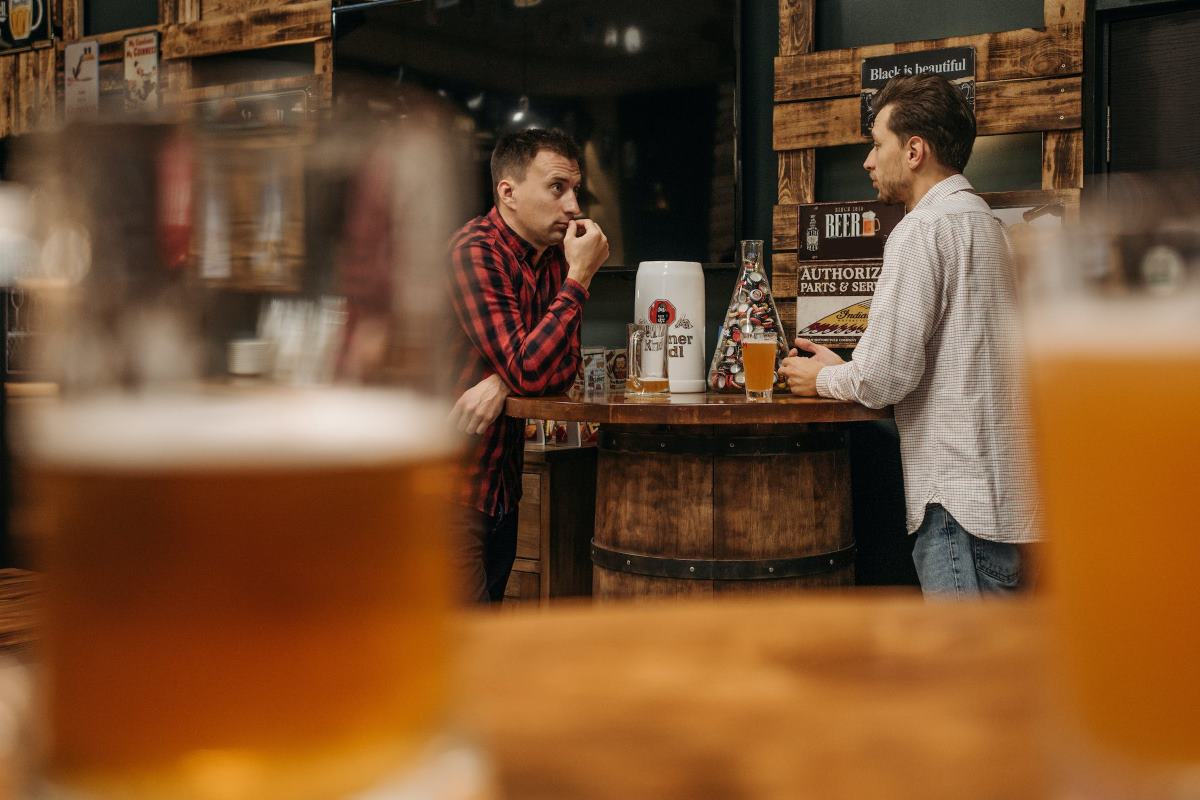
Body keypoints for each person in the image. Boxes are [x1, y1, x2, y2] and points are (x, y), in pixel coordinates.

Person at [778, 74, 1038, 597]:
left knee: (962, 674)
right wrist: (838, 367)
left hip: (956, 506)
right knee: (999, 674)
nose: (868, 162)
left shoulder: (922, 229)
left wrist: (824, 379)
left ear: (914, 150)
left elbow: (884, 377)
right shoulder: (989, 227)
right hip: (1009, 507)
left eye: (877, 144)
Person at [447, 128, 609, 603]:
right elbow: (533, 370)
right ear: (508, 192)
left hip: (499, 489)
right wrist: (580, 277)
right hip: (446, 491)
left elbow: (563, 370)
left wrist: (501, 382)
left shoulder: (551, 260)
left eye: (575, 190)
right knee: (462, 652)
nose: (574, 206)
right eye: (557, 188)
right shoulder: (475, 251)